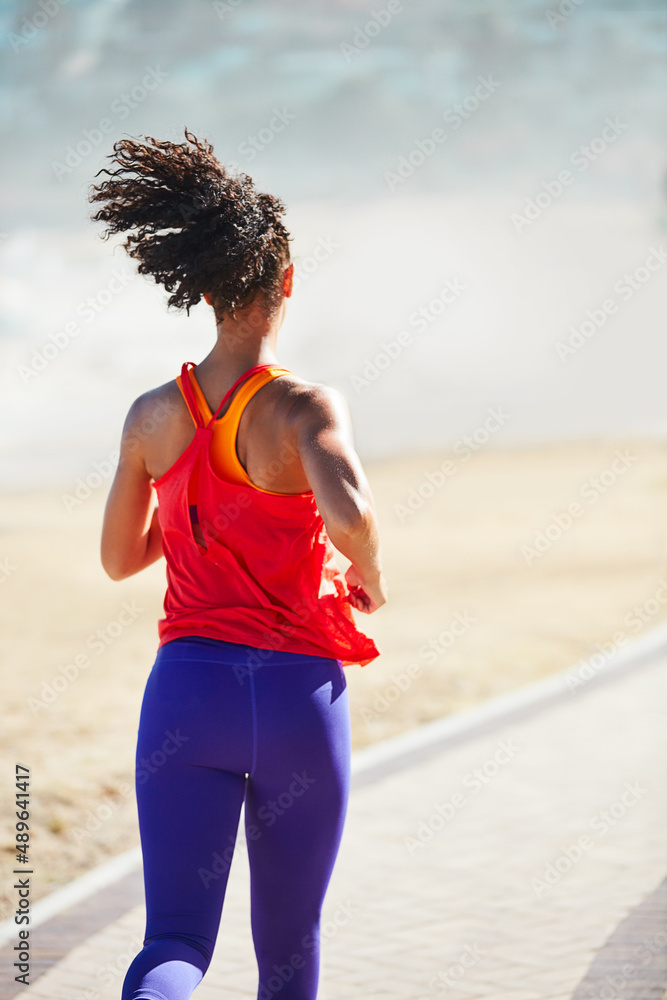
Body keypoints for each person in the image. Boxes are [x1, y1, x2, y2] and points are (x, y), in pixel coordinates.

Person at [88, 128, 388, 1000]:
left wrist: (190, 522)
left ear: (204, 287)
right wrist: (368, 572)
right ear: (283, 283)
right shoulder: (302, 408)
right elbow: (353, 514)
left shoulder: (149, 416)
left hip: (187, 690)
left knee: (175, 940)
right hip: (298, 695)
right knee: (288, 944)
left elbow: (118, 559)